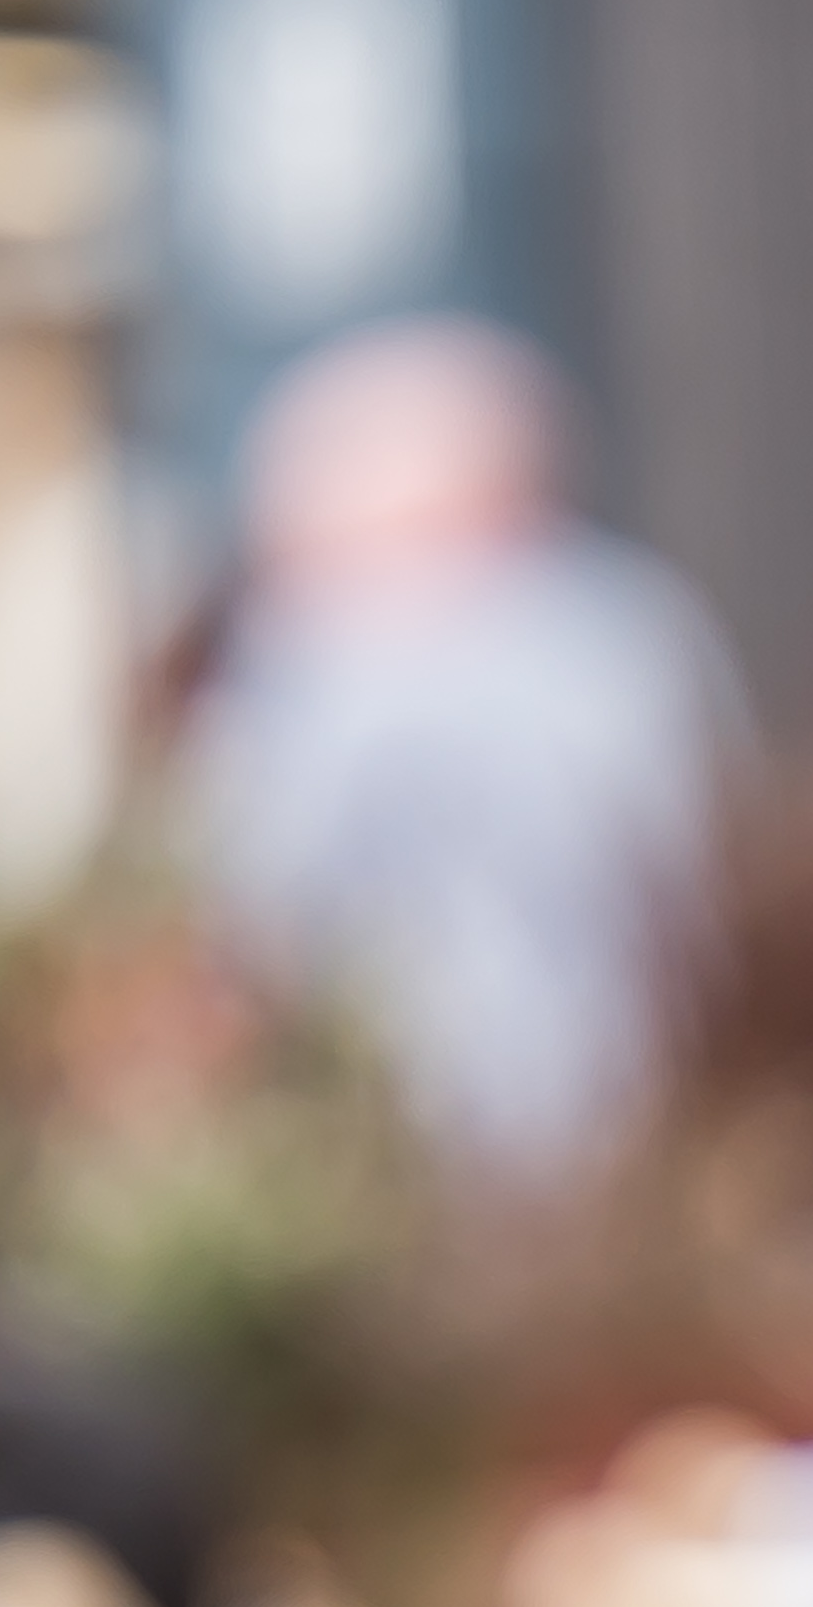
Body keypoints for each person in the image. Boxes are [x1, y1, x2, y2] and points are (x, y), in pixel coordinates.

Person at [181, 317, 746, 1191]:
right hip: (630, 1138)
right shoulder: (628, 632)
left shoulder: (316, 661)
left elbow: (252, 902)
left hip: (392, 1157)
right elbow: (705, 874)